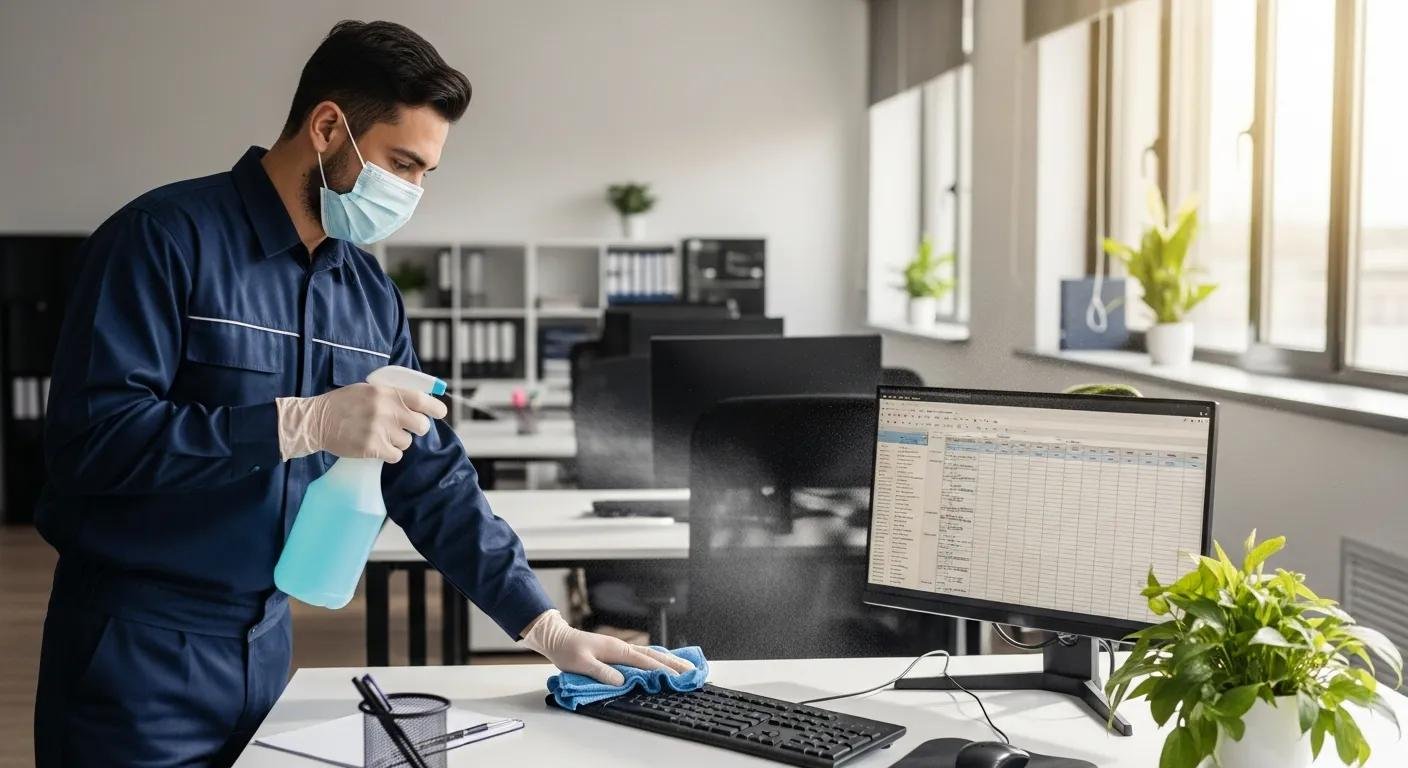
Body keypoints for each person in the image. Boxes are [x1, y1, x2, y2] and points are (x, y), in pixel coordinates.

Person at [33, 20, 690, 767]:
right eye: (400, 163)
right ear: (326, 127)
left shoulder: (369, 293)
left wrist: (543, 625)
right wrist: (300, 423)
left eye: (424, 174)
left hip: (268, 641)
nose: (410, 192)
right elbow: (93, 445)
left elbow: (431, 476)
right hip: (136, 645)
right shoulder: (161, 239)